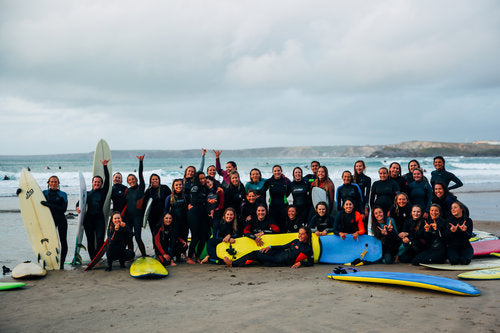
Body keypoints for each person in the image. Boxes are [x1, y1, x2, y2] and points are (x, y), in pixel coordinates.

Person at [223, 227, 314, 268]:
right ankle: (233, 263)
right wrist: (270, 247)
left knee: (256, 254)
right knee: (259, 251)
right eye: (299, 233)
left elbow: (311, 263)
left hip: (280, 262)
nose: (300, 236)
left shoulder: (308, 249)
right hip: (278, 254)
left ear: (307, 235)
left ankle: (233, 264)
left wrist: (301, 263)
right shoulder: (296, 241)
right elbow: (283, 247)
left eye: (302, 234)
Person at [76, 159, 110, 260]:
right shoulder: (87, 193)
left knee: (100, 239)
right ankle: (93, 258)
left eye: (99, 182)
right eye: (95, 181)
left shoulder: (103, 192)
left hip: (99, 218)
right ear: (92, 183)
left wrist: (105, 166)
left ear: (101, 183)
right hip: (88, 219)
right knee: (90, 240)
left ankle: (97, 257)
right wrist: (77, 208)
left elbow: (108, 179)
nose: (97, 183)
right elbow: (79, 202)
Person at [42, 175, 68, 269]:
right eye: (52, 181)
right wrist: (20, 192)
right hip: (49, 220)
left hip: (61, 219)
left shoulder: (63, 194)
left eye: (55, 181)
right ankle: (48, 261)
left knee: (63, 241)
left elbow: (63, 209)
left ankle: (61, 263)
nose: (53, 183)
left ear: (58, 183)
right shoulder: (44, 193)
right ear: (48, 183)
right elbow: (31, 198)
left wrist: (48, 204)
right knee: (47, 241)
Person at [123, 155, 147, 257]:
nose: (131, 180)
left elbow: (141, 174)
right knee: (128, 237)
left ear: (136, 180)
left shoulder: (140, 188)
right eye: (129, 179)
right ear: (127, 182)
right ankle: (130, 255)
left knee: (137, 237)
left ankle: (144, 255)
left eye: (133, 179)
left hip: (137, 217)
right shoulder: (126, 191)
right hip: (128, 217)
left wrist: (140, 162)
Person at [186, 171, 209, 264]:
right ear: (197, 179)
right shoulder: (194, 187)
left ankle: (197, 256)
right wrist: (207, 200)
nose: (203, 180)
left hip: (202, 214)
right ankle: (189, 257)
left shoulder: (204, 188)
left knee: (203, 237)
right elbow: (195, 200)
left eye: (204, 178)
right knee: (195, 237)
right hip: (194, 214)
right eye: (201, 178)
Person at [164, 179, 189, 260]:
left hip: (184, 221)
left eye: (180, 184)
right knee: (174, 239)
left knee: (184, 238)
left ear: (183, 185)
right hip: (174, 222)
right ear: (173, 187)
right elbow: (166, 211)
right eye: (176, 185)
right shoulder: (169, 197)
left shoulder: (186, 196)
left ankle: (183, 254)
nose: (179, 186)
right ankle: (172, 256)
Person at [262, 165, 292, 231]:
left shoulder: (286, 180)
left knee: (283, 226)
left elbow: (289, 191)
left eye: (278, 170)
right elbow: (262, 191)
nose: (277, 172)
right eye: (275, 171)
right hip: (273, 207)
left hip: (283, 206)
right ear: (272, 172)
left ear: (281, 171)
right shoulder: (269, 181)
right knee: (274, 226)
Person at [445, 201, 473, 265]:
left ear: (461, 209)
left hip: (466, 246)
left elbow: (469, 236)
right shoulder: (448, 221)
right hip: (453, 246)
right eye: (452, 208)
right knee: (454, 261)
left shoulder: (468, 220)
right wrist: (452, 232)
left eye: (455, 207)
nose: (453, 209)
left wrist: (464, 231)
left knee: (465, 261)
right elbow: (446, 237)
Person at [144, 173, 172, 238]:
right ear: (150, 181)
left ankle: (164, 246)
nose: (154, 180)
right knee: (154, 233)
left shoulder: (165, 188)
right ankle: (155, 247)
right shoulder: (148, 191)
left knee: (163, 233)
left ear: (159, 180)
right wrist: (145, 217)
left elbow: (171, 199)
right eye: (153, 179)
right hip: (152, 216)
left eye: (156, 179)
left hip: (163, 215)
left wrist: (169, 212)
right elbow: (145, 205)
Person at [353, 160, 371, 230]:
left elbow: (367, 194)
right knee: (354, 226)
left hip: (363, 204)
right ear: (355, 167)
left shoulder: (367, 179)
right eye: (357, 166)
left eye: (360, 166)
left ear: (364, 167)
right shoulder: (352, 178)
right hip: (353, 205)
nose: (358, 168)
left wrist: (366, 208)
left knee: (364, 225)